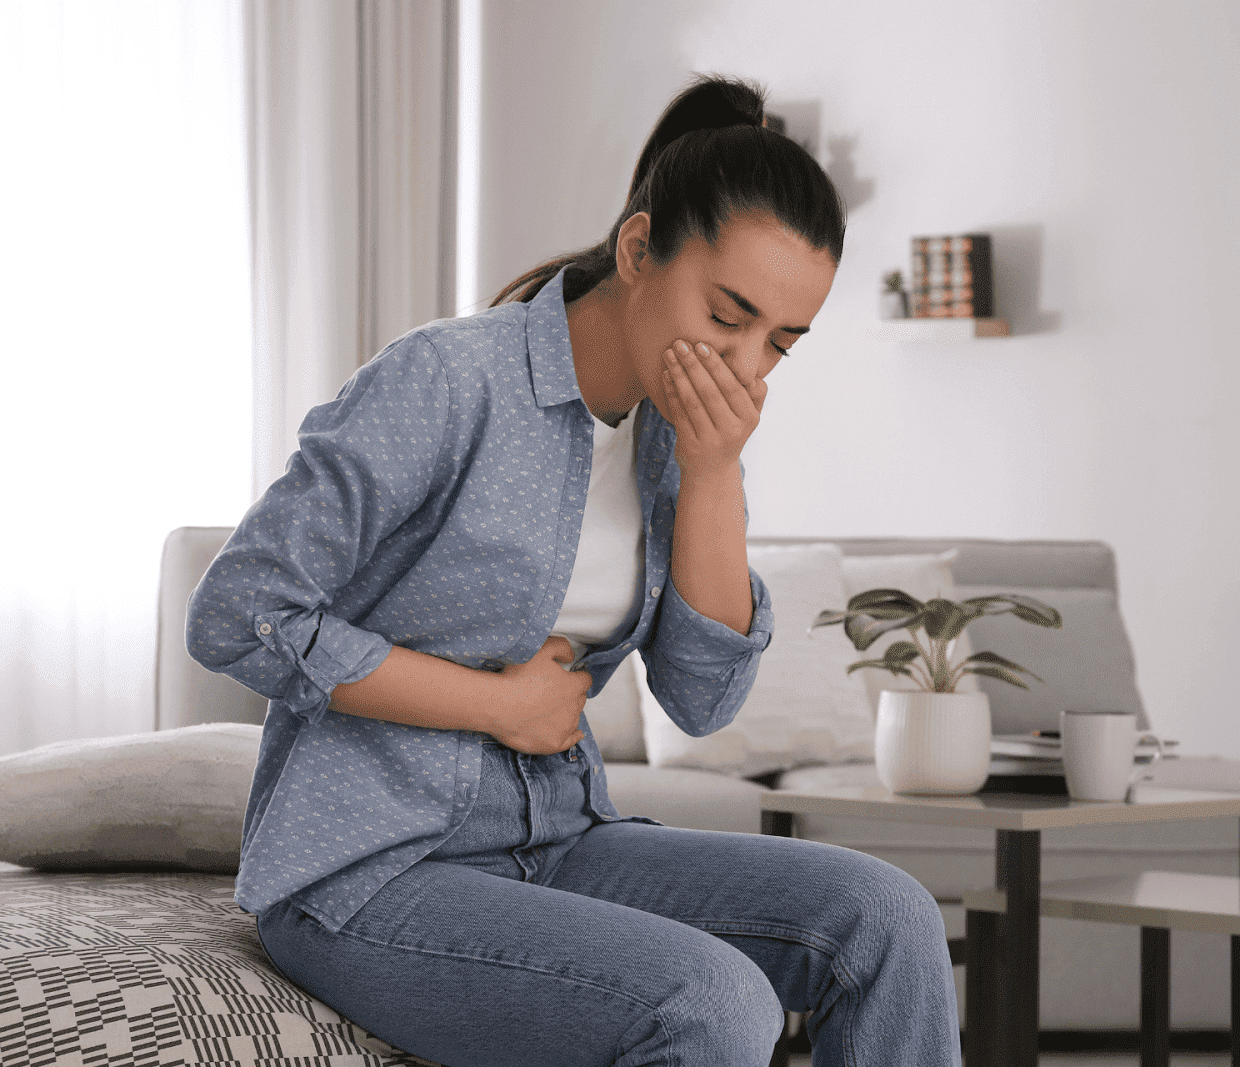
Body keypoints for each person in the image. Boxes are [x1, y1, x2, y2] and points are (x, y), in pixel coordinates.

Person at [186, 72, 962, 1067]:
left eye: (781, 341)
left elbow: (700, 694)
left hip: (553, 838)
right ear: (639, 249)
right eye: (728, 314)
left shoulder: (679, 438)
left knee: (886, 915)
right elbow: (240, 609)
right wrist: (493, 705)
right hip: (365, 868)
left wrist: (714, 470)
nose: (746, 364)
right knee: (712, 1002)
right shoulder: (448, 381)